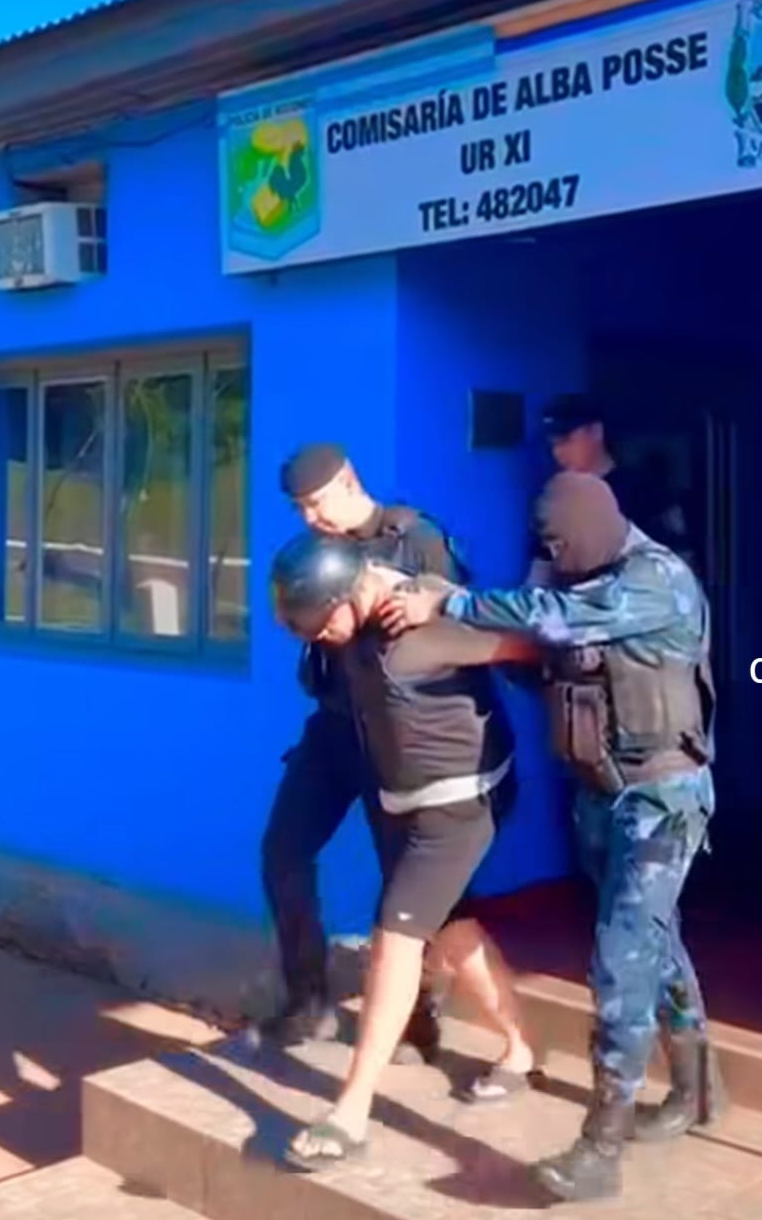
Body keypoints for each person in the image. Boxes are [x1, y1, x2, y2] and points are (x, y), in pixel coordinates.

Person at [378, 471, 724, 1203]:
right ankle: (696, 1092)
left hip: (661, 797)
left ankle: (600, 1147)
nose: (557, 556)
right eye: (549, 546)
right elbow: (550, 658)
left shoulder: (655, 579)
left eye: (562, 543)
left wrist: (452, 602)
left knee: (620, 959)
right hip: (602, 794)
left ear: (592, 528)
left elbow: (555, 618)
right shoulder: (582, 577)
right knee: (654, 941)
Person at [270, 531, 542, 1170]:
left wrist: (446, 603)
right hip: (406, 801)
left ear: (350, 594)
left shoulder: (425, 625)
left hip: (460, 804)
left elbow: (525, 645)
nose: (325, 639)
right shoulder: (348, 617)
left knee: (396, 936)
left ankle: (350, 1111)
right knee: (452, 928)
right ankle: (521, 1048)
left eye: (325, 625)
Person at [258, 443, 459, 1062]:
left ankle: (417, 1020)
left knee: (405, 882)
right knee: (282, 851)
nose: (310, 517)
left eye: (316, 503)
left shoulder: (414, 540)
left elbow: (456, 627)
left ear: (349, 482)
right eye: (300, 508)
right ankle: (308, 1000)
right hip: (334, 728)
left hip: (397, 736)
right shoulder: (315, 553)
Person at [528, 393, 694, 579]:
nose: (558, 452)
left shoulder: (645, 493)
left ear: (596, 432)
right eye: (553, 444)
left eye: (566, 441)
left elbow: (679, 561)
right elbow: (541, 570)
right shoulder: (555, 502)